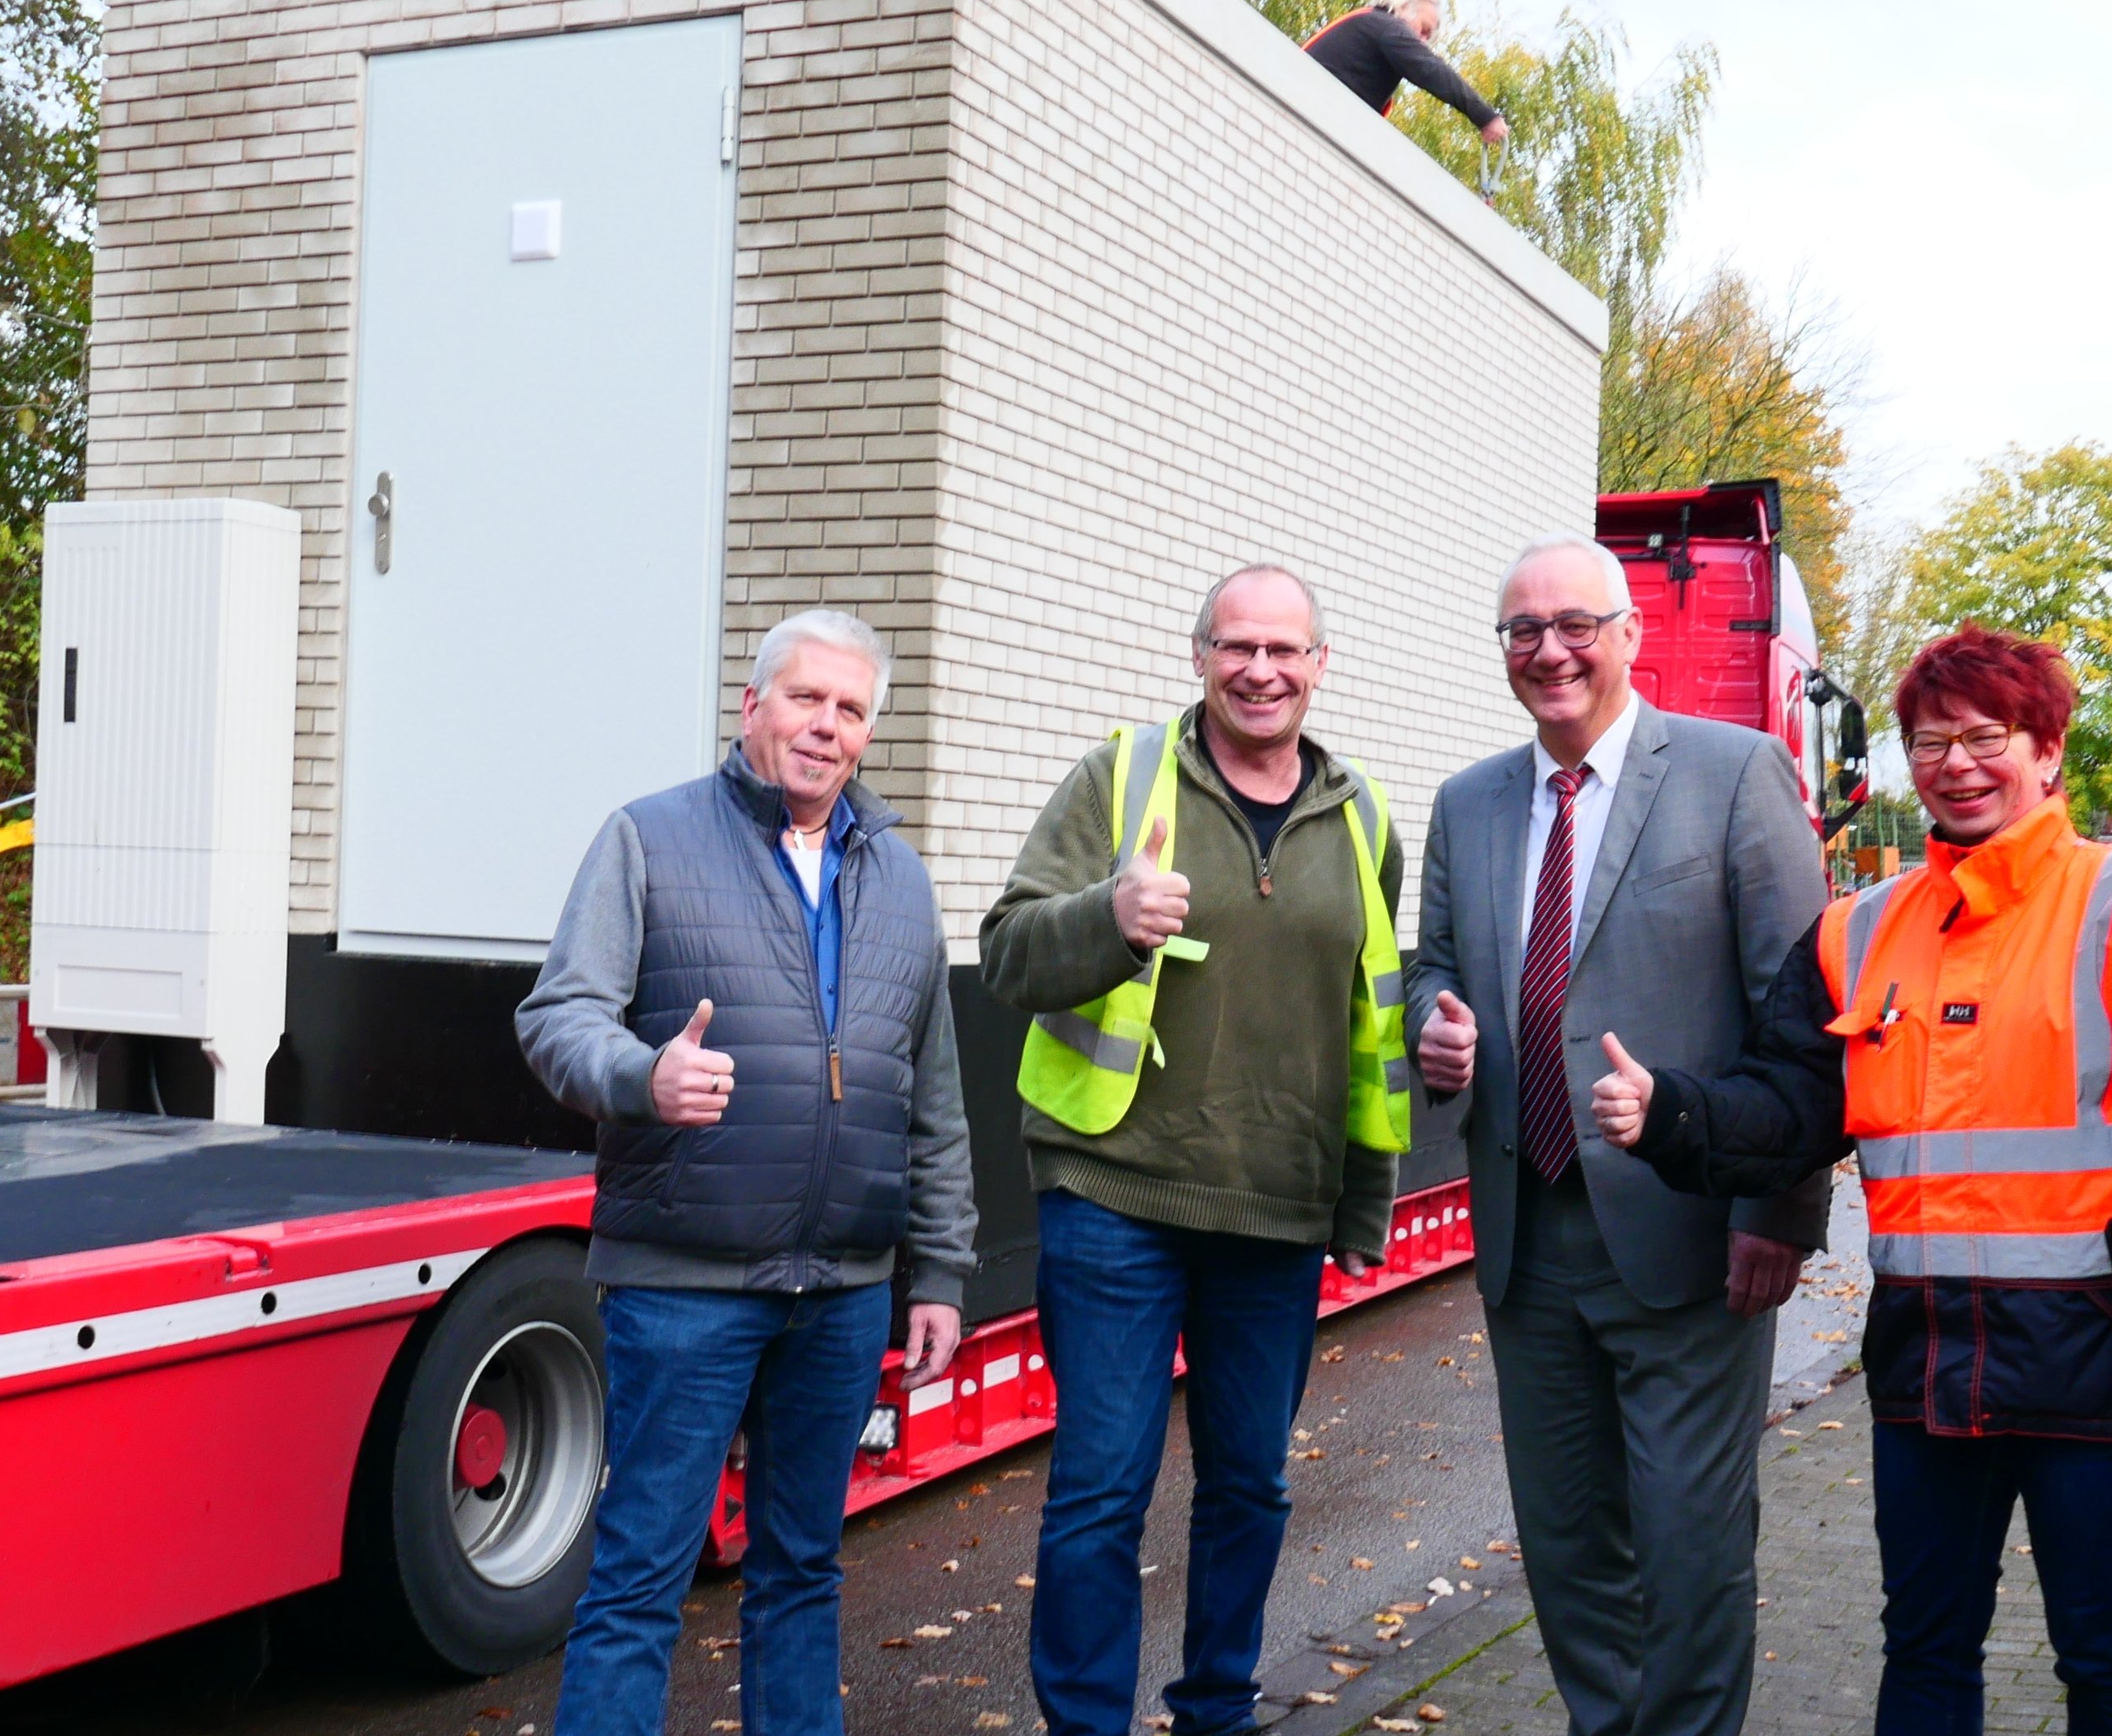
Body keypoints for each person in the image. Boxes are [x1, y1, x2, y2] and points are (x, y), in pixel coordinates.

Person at [1587, 625, 2112, 1736]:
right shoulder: (1859, 930)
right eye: (1932, 743)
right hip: (1932, 1366)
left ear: (2048, 753)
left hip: (2103, 1367)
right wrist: (1673, 1114)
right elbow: (1791, 1111)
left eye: (1988, 737)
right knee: (1925, 1652)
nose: (1958, 763)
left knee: (2107, 1652)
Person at [516, 610, 976, 1736]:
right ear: (752, 706)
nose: (827, 726)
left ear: (870, 732)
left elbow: (937, 1094)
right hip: (685, 1283)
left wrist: (942, 1272)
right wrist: (641, 1076)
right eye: (807, 698)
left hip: (842, 1287)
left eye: (851, 709)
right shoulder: (648, 839)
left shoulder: (902, 879)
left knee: (803, 1571)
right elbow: (556, 1016)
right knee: (638, 1584)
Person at [1404, 537, 1832, 1736]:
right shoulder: (1467, 801)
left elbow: (1798, 1023)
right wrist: (1430, 1021)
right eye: (1523, 631)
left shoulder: (1735, 774)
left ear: (1630, 633)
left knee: (1691, 1551)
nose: (1550, 650)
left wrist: (1777, 1214)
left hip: (1690, 1235)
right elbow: (1435, 967)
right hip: (1527, 1233)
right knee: (1568, 1547)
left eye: (1575, 624)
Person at [980, 565, 1411, 1736]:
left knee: (1252, 1491)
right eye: (1237, 646)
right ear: (1198, 655)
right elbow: (1009, 951)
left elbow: (1367, 1016)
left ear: (1321, 664)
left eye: (1285, 649)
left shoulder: (1363, 817)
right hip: (1113, 1195)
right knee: (1099, 1494)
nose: (1260, 670)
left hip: (1273, 1214)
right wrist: (1105, 919)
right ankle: (1085, 1723)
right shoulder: (1121, 779)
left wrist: (1361, 1202)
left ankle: (1216, 1709)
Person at [1303, 0, 1510, 146]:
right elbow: (1430, 70)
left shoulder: (1369, 23)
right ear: (1402, 7)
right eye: (1424, 29)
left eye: (1428, 38)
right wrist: (1484, 116)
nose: (1421, 41)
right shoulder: (1390, 27)